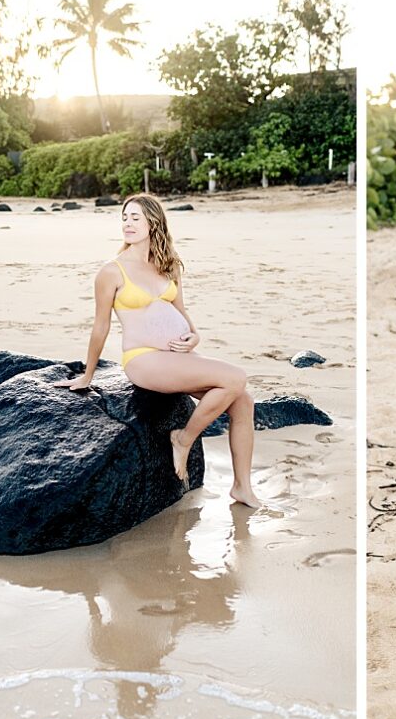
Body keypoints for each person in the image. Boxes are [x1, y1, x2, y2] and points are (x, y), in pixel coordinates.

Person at [66, 193, 262, 506]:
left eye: (135, 218)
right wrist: (88, 375)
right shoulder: (112, 272)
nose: (128, 224)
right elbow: (100, 326)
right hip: (143, 359)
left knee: (243, 402)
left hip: (178, 356)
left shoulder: (168, 265)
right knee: (236, 378)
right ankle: (183, 439)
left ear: (153, 223)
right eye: (125, 217)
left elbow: (182, 311)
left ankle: (242, 487)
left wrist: (194, 336)